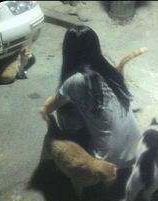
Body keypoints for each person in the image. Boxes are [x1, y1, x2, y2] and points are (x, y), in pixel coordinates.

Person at [39, 25, 141, 169]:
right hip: (138, 148)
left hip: (109, 161)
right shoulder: (110, 71)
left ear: (68, 52)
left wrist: (44, 110)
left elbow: (48, 108)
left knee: (66, 114)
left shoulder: (75, 81)